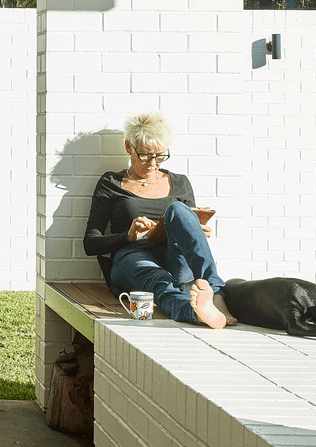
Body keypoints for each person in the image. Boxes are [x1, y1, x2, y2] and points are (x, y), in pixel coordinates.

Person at [83, 111, 231, 328]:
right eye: (145, 155)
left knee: (178, 209)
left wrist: (196, 231)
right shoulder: (111, 182)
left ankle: (215, 292)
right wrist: (129, 236)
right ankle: (198, 313)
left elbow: (188, 225)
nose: (153, 163)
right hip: (133, 254)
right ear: (128, 147)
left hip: (175, 256)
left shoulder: (180, 182)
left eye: (160, 156)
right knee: (159, 280)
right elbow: (90, 243)